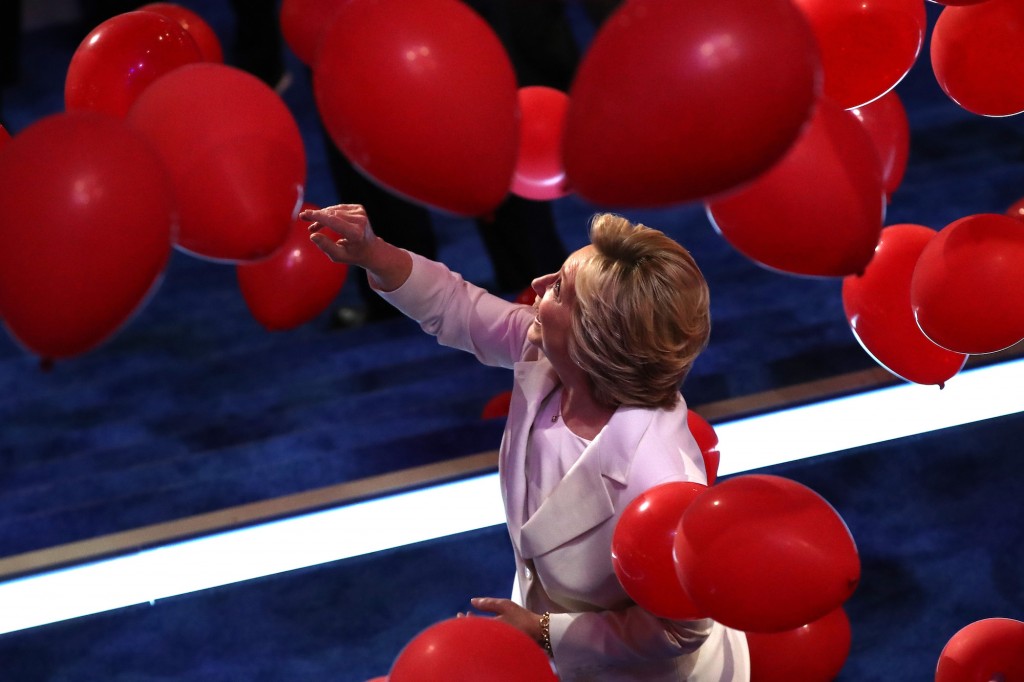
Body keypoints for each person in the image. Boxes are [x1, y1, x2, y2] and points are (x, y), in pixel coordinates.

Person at [301, 204, 750, 681]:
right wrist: (372, 251)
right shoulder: (553, 354)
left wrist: (543, 631)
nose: (536, 284)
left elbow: (681, 632)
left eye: (559, 288)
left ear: (594, 335)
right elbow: (458, 307)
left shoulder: (660, 478)